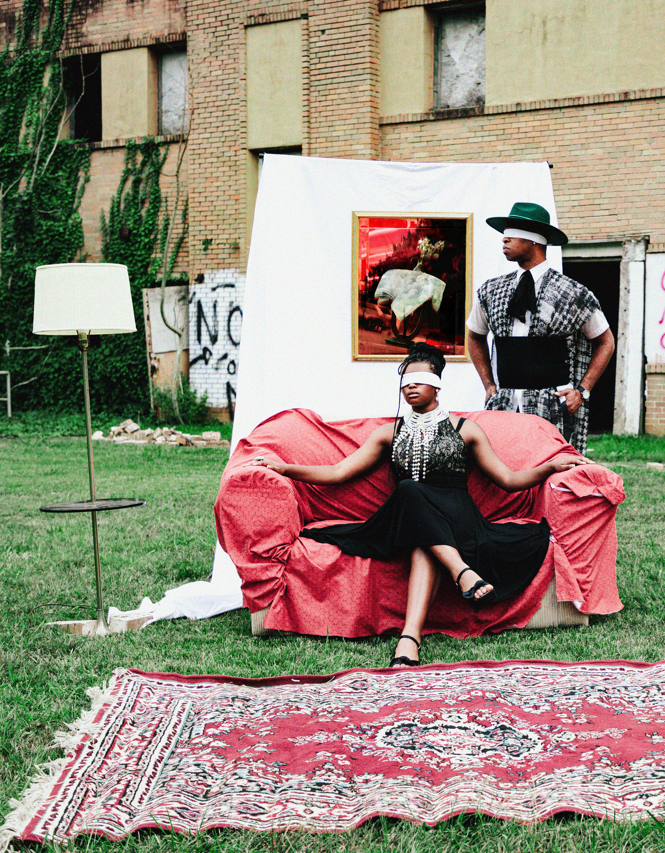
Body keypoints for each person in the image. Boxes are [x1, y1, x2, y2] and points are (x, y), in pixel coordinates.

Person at [246, 343, 585, 668]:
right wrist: (284, 468)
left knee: (425, 536)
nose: (411, 388)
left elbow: (508, 480)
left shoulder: (465, 429)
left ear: (438, 385)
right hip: (404, 515)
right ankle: (460, 573)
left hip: (458, 519)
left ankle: (410, 638)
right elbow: (338, 472)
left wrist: (549, 467)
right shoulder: (388, 432)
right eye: (405, 382)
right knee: (409, 490)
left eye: (420, 380)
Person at [466, 201, 615, 453]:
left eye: (513, 233)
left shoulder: (572, 292)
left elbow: (606, 342)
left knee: (550, 469)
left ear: (535, 240)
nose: (505, 239)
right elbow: (474, 336)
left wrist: (582, 390)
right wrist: (489, 385)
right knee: (504, 466)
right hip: (504, 403)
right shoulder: (491, 290)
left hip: (552, 404)